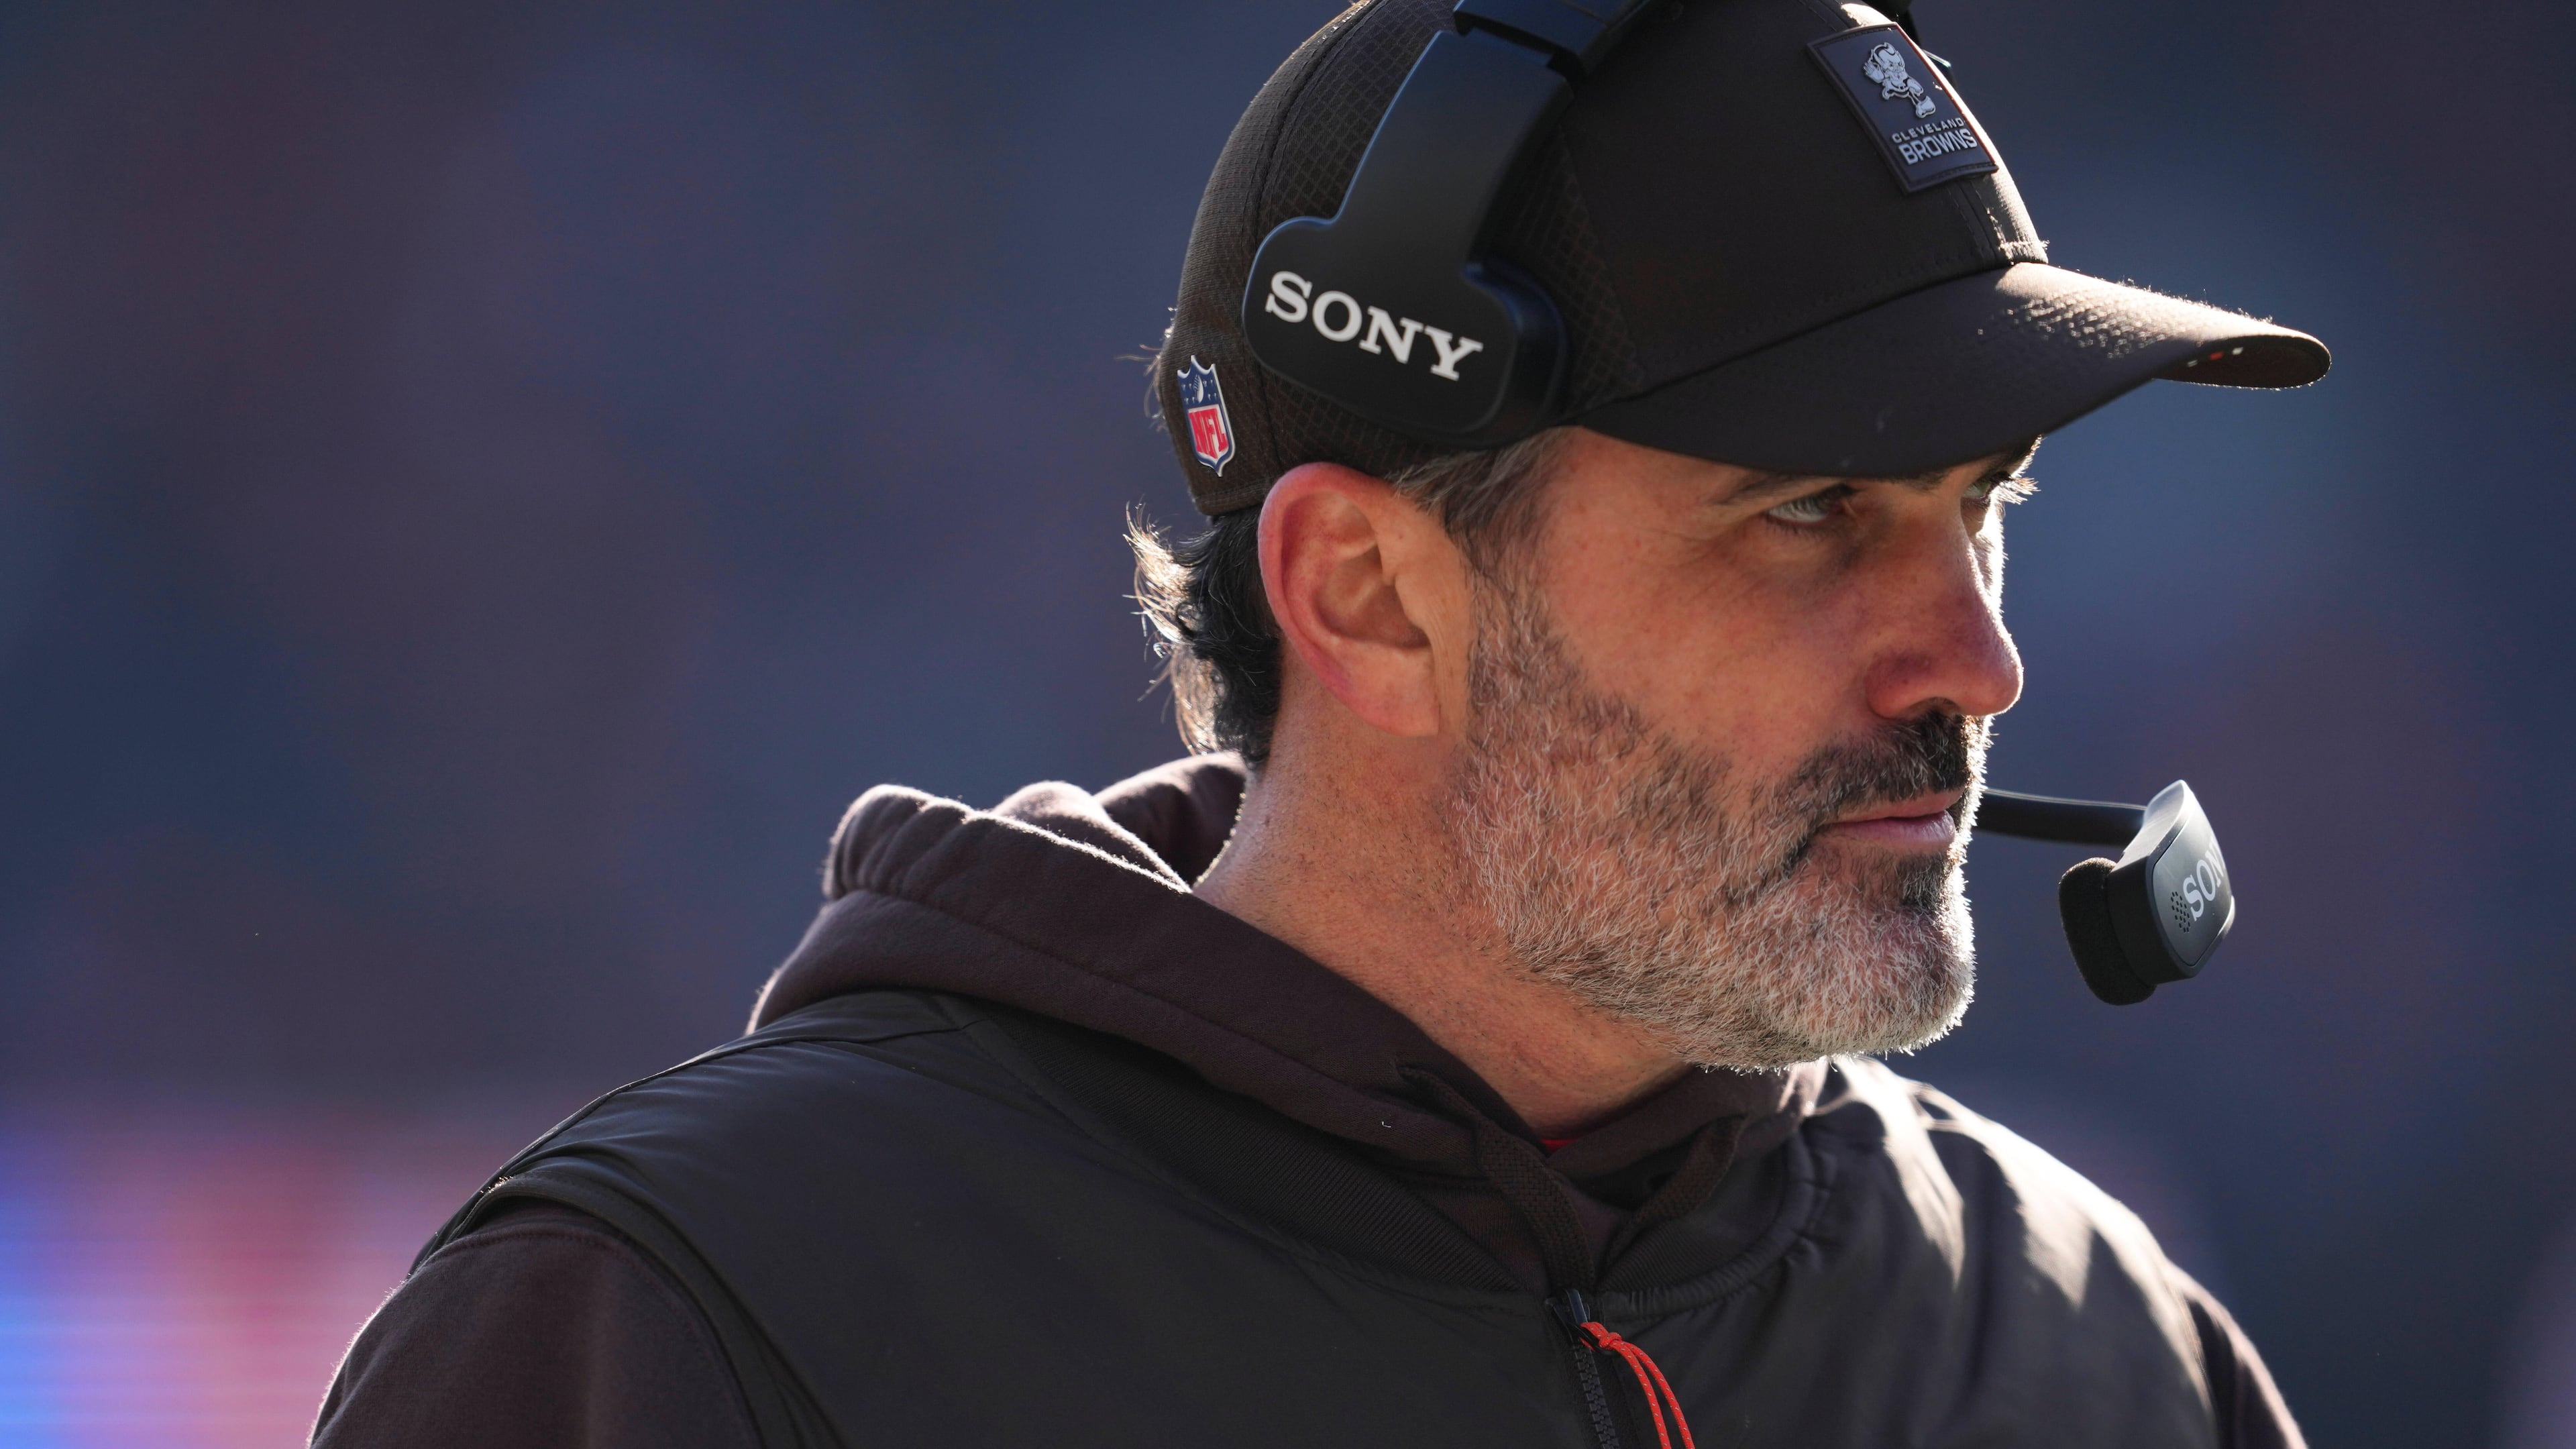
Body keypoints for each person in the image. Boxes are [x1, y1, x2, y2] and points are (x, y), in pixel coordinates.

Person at [313, 1, 2326, 1445]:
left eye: (1984, 508)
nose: (1977, 662)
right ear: (1367, 593)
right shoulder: (698, 1322)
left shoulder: (2096, 1355)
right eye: (1809, 514)